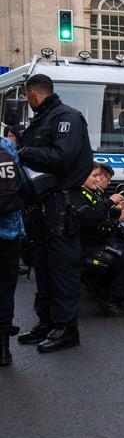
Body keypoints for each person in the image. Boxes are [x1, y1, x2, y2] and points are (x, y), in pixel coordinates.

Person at [16, 73, 94, 353]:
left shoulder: (67, 118)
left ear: (33, 93)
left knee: (62, 267)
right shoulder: (42, 119)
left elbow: (61, 158)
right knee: (44, 265)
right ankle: (47, 322)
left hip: (62, 202)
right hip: (42, 201)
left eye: (27, 96)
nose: (28, 101)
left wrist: (24, 152)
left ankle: (66, 329)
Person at [79, 162, 124, 316]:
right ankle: (110, 299)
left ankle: (112, 294)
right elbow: (89, 221)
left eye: (98, 176)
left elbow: (103, 221)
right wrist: (111, 204)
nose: (97, 179)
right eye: (94, 176)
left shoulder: (91, 192)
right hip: (85, 247)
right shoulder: (80, 195)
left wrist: (115, 212)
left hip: (93, 241)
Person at [0, 133, 24, 366]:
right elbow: (20, 185)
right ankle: (3, 348)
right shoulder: (7, 145)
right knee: (5, 289)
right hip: (7, 230)